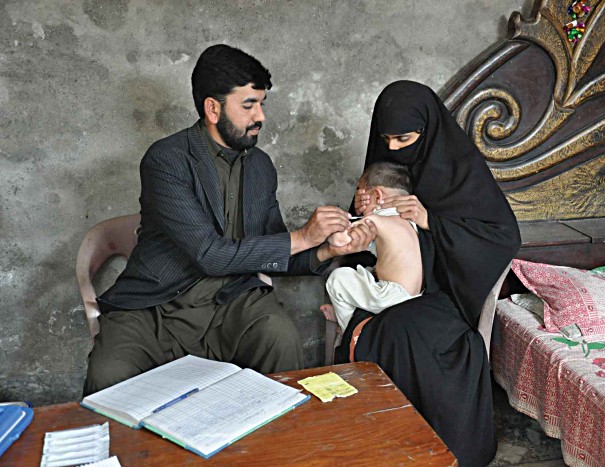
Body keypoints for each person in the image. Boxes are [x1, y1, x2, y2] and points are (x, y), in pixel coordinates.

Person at [83, 44, 376, 395]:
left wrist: (325, 248)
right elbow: (210, 254)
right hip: (157, 308)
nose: (261, 116)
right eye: (249, 105)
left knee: (279, 336)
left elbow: (271, 247)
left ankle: (276, 448)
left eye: (262, 104)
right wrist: (304, 236)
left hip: (231, 302)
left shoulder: (260, 166)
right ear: (212, 108)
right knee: (109, 373)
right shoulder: (166, 160)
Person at [340, 80, 521, 466]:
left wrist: (430, 220)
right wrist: (364, 209)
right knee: (385, 320)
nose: (392, 149)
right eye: (385, 138)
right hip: (387, 285)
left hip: (447, 294)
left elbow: (503, 237)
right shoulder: (384, 166)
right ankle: (379, 444)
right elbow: (357, 241)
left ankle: (436, 451)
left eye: (403, 138)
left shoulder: (458, 171)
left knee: (404, 328)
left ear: (427, 130)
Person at [319, 162, 423, 343]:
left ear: (376, 195)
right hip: (416, 298)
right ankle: (346, 314)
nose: (358, 202)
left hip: (391, 297)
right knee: (368, 269)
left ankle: (348, 330)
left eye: (361, 193)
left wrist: (345, 221)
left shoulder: (375, 219)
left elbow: (338, 241)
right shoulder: (410, 222)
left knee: (338, 278)